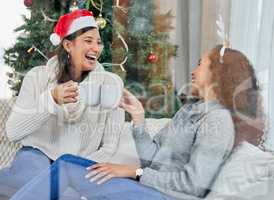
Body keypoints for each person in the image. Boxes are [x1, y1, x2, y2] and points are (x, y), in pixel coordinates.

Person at [9, 45, 262, 200]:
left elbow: (194, 185)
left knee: (65, 167)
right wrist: (139, 117)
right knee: (66, 167)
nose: (193, 72)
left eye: (200, 65)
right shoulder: (189, 111)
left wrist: (134, 172)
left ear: (218, 73)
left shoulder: (218, 120)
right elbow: (155, 159)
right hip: (152, 190)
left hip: (166, 197)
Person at [0, 9, 124, 199]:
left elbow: (110, 146)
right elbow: (13, 132)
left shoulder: (110, 85)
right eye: (88, 41)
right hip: (35, 157)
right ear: (68, 45)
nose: (96, 48)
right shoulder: (37, 77)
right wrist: (50, 99)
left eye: (98, 42)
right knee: (43, 182)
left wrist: (74, 170)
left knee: (63, 189)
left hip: (77, 165)